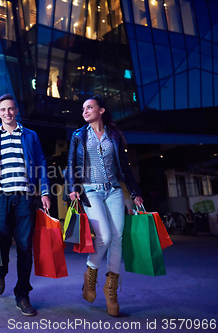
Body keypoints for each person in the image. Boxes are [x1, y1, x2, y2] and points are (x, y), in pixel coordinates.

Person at [66, 95, 143, 317]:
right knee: (105, 237)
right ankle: (91, 272)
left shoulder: (115, 136)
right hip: (90, 191)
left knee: (117, 237)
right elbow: (71, 163)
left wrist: (135, 192)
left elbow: (125, 167)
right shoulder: (79, 135)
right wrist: (72, 187)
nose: (85, 111)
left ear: (101, 110)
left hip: (114, 191)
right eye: (83, 108)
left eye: (89, 107)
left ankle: (111, 290)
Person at [0, 93, 51, 317]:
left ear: (16, 110)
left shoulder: (30, 136)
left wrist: (46, 191)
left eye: (11, 109)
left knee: (24, 247)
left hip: (25, 197)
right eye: (3, 110)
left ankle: (22, 295)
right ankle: (1, 273)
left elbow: (41, 162)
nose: (7, 113)